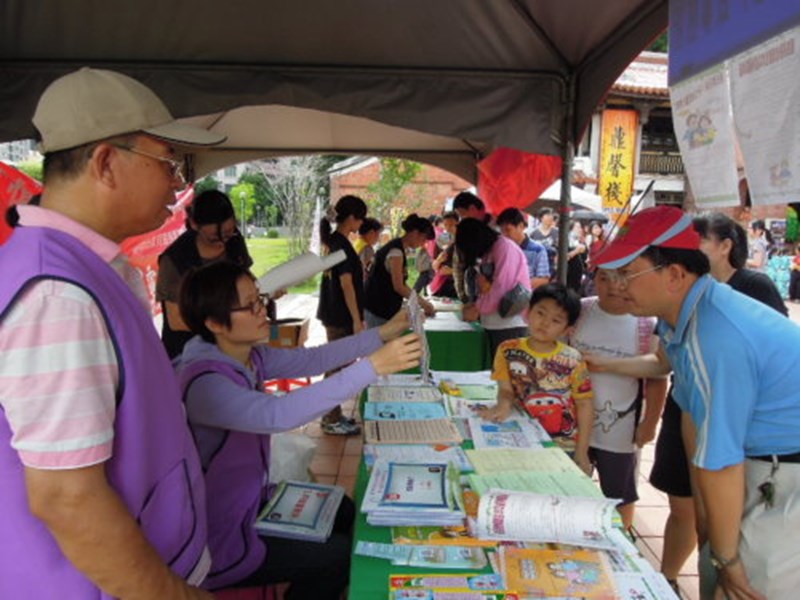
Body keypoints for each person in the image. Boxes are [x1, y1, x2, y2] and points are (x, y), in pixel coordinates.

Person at [0, 67, 224, 598]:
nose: (178, 183)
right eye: (170, 163)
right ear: (105, 162)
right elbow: (67, 498)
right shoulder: (56, 296)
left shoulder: (84, 268)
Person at [175, 261, 421, 597]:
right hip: (218, 533)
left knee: (345, 510)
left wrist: (381, 334)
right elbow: (277, 415)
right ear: (215, 322)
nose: (264, 310)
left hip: (250, 501)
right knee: (334, 558)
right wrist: (373, 366)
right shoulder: (204, 384)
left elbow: (315, 360)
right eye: (251, 305)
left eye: (260, 299)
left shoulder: (248, 356)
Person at [594, 205, 800, 600]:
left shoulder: (716, 333)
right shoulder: (682, 320)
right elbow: (692, 419)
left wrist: (727, 557)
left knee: (742, 585)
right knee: (717, 569)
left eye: (626, 274)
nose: (616, 285)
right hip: (759, 466)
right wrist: (707, 526)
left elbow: (720, 461)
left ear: (674, 275)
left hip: (786, 475)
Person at [570, 269, 668, 532]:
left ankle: (623, 540)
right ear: (593, 280)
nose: (613, 287)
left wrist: (649, 423)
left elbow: (658, 377)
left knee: (620, 493)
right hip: (573, 423)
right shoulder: (579, 312)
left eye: (621, 278)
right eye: (604, 278)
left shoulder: (646, 321)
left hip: (619, 429)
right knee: (570, 485)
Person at [480, 283, 594, 474]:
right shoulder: (507, 349)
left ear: (568, 329)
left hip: (561, 445)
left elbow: (585, 405)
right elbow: (506, 389)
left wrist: (582, 452)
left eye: (556, 320)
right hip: (519, 437)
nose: (545, 323)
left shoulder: (574, 360)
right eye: (540, 313)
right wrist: (503, 405)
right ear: (528, 311)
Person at [156, 189, 252, 358]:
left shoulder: (235, 243)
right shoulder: (175, 259)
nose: (223, 243)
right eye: (214, 238)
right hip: (187, 354)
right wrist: (226, 324)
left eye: (229, 233)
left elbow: (246, 284)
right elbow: (176, 320)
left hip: (231, 348)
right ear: (194, 224)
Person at [316, 194, 368, 435]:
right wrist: (357, 320)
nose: (362, 225)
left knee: (338, 366)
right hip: (340, 316)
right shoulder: (340, 244)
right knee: (336, 368)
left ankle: (333, 414)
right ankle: (329, 419)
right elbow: (347, 285)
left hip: (334, 313)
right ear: (351, 219)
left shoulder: (334, 241)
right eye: (360, 219)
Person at [455, 217, 532, 362]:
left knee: (507, 375)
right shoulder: (490, 251)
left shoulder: (504, 247)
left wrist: (477, 308)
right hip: (493, 323)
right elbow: (485, 287)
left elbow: (500, 287)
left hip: (510, 325)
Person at [364, 213, 436, 327]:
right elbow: (399, 287)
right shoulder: (396, 252)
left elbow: (400, 284)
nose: (423, 243)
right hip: (377, 310)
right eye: (424, 239)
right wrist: (424, 304)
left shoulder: (398, 248)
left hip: (379, 308)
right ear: (415, 233)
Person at [496, 207, 550, 289]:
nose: (504, 235)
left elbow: (543, 279)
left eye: (508, 230)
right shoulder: (501, 249)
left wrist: (516, 287)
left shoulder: (537, 249)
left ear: (521, 226)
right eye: (502, 231)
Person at [451, 191, 491, 302]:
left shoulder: (496, 229)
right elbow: (458, 263)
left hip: (493, 296)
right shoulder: (464, 231)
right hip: (472, 294)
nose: (461, 220)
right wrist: (463, 297)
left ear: (473, 209)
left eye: (461, 215)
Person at [430, 211, 460, 298]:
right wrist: (439, 260)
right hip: (442, 285)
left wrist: (452, 271)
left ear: (458, 223)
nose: (448, 228)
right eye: (445, 225)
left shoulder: (465, 242)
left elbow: (471, 268)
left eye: (451, 225)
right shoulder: (441, 240)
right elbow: (434, 266)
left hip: (459, 285)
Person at [531, 207, 560, 276]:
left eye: (551, 215)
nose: (550, 217)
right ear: (541, 218)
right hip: (537, 266)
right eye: (548, 215)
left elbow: (561, 249)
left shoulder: (557, 232)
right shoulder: (534, 233)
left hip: (553, 266)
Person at [566, 220, 587, 293]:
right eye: (577, 227)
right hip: (568, 275)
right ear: (571, 228)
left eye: (580, 227)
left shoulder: (581, 241)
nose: (580, 229)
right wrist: (576, 251)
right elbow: (563, 258)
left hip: (579, 276)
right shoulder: (566, 241)